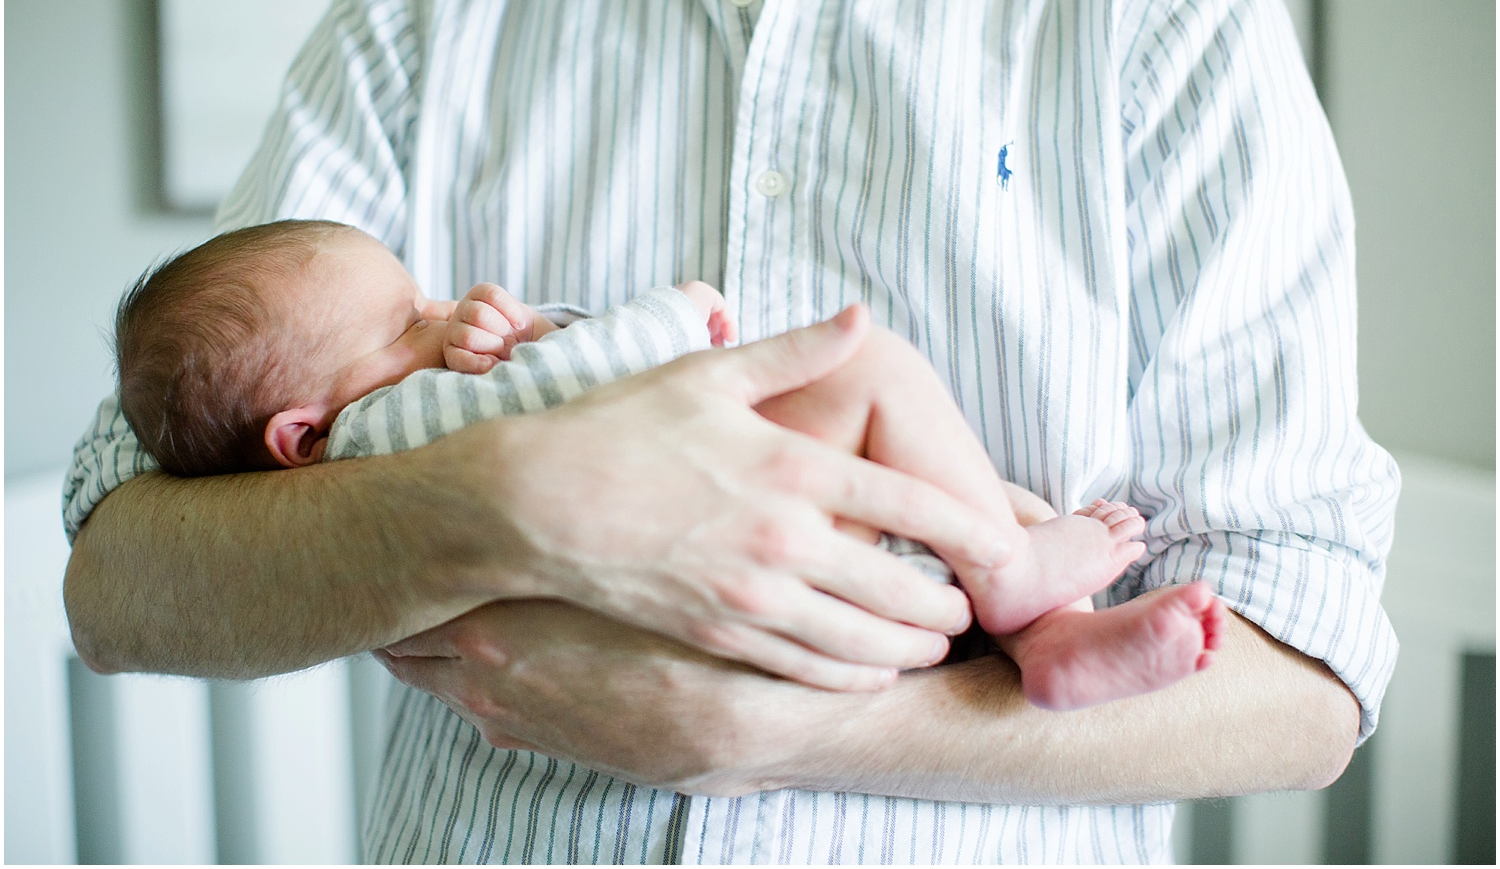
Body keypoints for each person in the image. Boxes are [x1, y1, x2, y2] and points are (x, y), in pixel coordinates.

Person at [63, 0, 1400, 863]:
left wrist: (784, 727)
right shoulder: (419, 5)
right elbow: (121, 581)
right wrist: (494, 506)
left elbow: (1307, 687)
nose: (452, 308)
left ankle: (1024, 594)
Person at [113, 216, 1224, 711]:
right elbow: (581, 389)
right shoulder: (386, 432)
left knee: (979, 486)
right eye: (407, 316)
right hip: (813, 562)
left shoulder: (376, 421)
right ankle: (1023, 589)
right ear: (299, 436)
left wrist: (519, 333)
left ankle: (1045, 628)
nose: (445, 309)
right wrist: (671, 316)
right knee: (875, 371)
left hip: (817, 580)